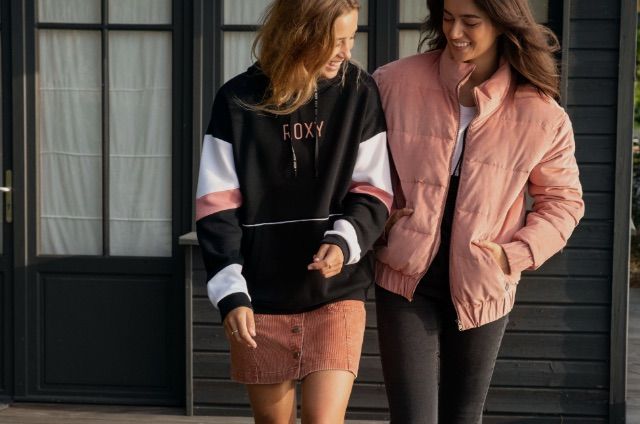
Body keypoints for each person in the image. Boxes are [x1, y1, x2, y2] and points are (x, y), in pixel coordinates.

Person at [372, 0, 585, 422]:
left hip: (483, 281)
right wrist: (382, 226)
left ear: (503, 24)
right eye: (448, 18)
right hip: (403, 275)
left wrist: (513, 255)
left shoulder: (542, 114)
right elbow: (360, 168)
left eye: (470, 22)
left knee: (463, 417)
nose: (454, 32)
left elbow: (563, 202)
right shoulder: (393, 82)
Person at [194, 1, 392, 422]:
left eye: (351, 38)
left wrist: (344, 241)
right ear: (301, 35)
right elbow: (216, 208)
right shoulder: (237, 100)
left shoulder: (359, 91)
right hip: (260, 298)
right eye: (335, 41)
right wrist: (230, 292)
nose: (346, 52)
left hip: (335, 293)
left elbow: (374, 190)